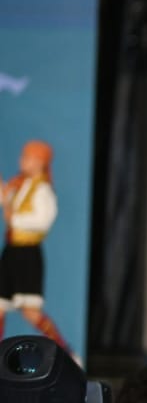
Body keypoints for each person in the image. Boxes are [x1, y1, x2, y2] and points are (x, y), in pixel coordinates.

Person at [0, 140, 75, 358]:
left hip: (27, 254)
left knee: (31, 312)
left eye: (27, 157)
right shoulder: (19, 185)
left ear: (40, 162)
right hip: (11, 251)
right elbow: (6, 200)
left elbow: (43, 220)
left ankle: (63, 351)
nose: (22, 161)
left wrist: (15, 218)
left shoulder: (42, 190)